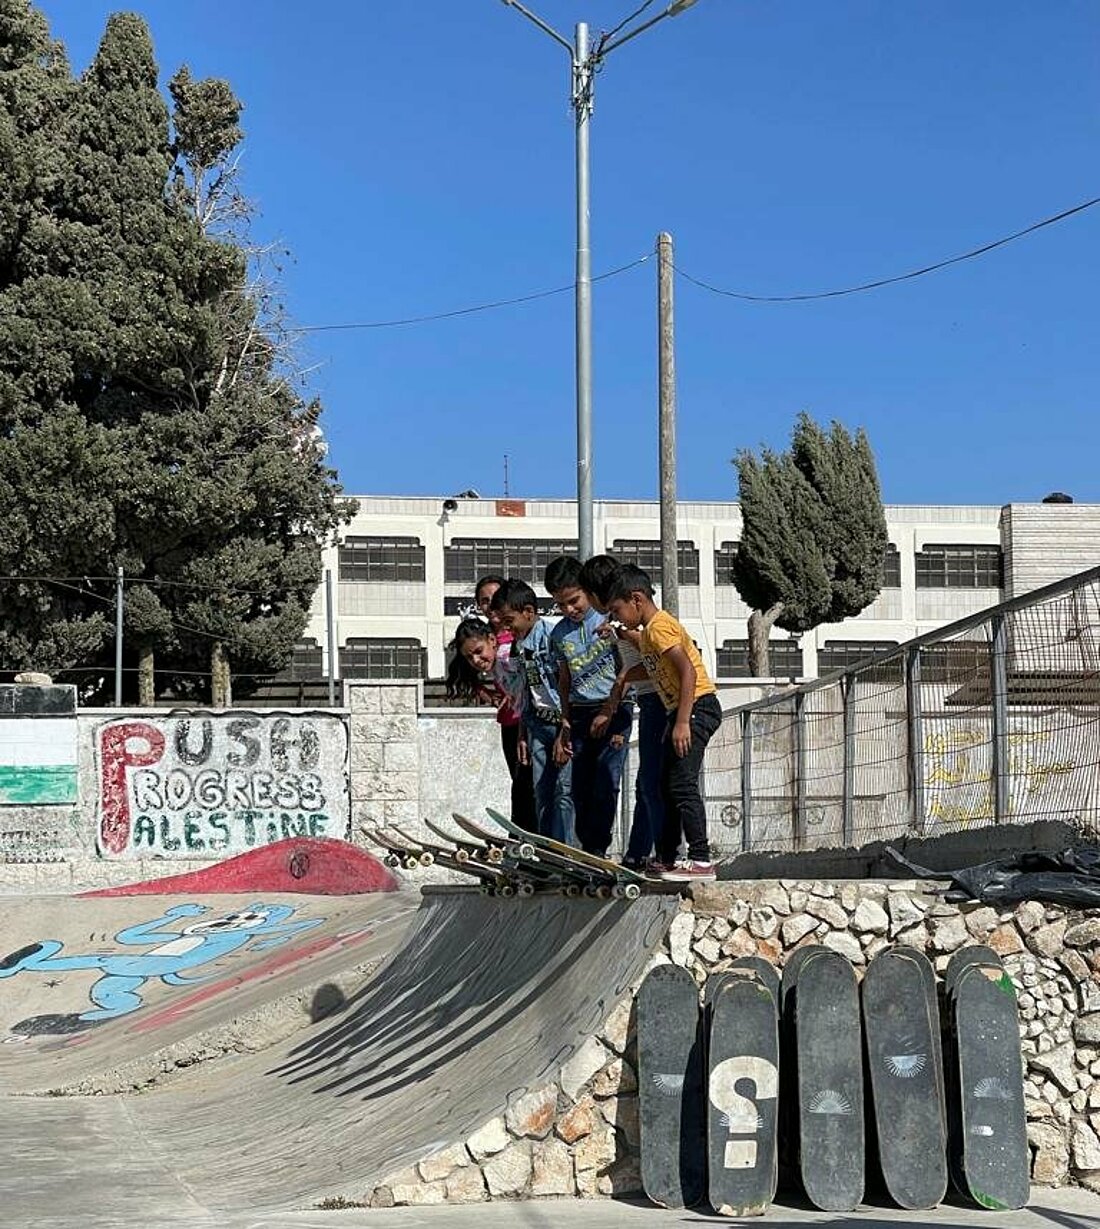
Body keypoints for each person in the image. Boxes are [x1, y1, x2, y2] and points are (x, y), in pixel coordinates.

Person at [605, 564, 723, 882]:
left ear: (636, 599)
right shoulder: (647, 635)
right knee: (663, 784)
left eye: (617, 610)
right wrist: (623, 678)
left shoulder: (659, 627)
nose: (617, 617)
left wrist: (683, 721)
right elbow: (652, 667)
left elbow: (688, 671)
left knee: (683, 784)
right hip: (682, 710)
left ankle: (700, 860)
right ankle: (668, 858)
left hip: (697, 707)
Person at [579, 554, 666, 869]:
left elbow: (655, 651)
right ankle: (641, 851)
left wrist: (616, 694)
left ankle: (646, 852)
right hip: (648, 698)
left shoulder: (628, 623)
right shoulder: (617, 623)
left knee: (652, 781)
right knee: (648, 780)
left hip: (659, 698)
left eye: (588, 594)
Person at [544, 556, 633, 859]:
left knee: (606, 781)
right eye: (561, 605)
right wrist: (565, 720)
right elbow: (564, 679)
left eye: (574, 600)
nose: (569, 609)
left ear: (587, 591)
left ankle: (599, 847)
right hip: (579, 712)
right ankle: (585, 849)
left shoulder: (611, 620)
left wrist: (614, 708)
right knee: (579, 786)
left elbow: (628, 666)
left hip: (613, 707)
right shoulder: (558, 635)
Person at [489, 578, 575, 845]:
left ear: (528, 612)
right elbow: (526, 692)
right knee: (542, 791)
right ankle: (547, 849)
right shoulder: (518, 647)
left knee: (564, 791)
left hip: (561, 725)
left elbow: (566, 685)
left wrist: (565, 730)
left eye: (509, 620)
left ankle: (568, 849)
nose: (506, 627)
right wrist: (523, 733)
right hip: (537, 725)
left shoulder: (552, 638)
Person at [446, 616, 537, 832]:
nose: (476, 660)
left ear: (492, 640)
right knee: (522, 782)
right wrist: (497, 698)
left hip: (534, 722)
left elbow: (529, 686)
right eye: (470, 658)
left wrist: (524, 731)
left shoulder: (507, 657)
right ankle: (524, 831)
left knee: (529, 783)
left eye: (478, 652)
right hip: (523, 722)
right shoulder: (494, 665)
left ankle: (531, 831)